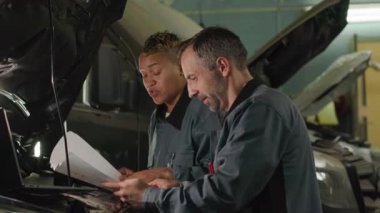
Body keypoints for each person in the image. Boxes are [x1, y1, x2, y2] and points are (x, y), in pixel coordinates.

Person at [102, 26, 322, 213]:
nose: (190, 92)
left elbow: (227, 191)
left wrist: (150, 197)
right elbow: (222, 177)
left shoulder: (261, 110)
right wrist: (177, 185)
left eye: (193, 78)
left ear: (223, 67)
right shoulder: (242, 111)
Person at [117, 31, 221, 185]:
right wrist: (141, 178)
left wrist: (166, 174)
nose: (149, 82)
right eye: (144, 74)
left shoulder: (204, 112)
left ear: (181, 68)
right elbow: (158, 174)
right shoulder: (156, 118)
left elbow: (217, 178)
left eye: (156, 72)